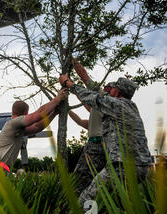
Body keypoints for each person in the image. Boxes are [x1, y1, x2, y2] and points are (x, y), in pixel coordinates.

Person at [59, 73, 152, 206]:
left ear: (117, 91)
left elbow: (91, 97)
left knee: (86, 200)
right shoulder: (132, 107)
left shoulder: (116, 104)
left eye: (113, 88)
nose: (109, 90)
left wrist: (68, 83)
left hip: (122, 167)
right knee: (117, 199)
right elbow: (91, 108)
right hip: (143, 168)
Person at [0, 88, 68, 175]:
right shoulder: (14, 122)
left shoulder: (17, 128)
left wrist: (54, 112)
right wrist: (58, 99)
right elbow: (38, 114)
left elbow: (37, 127)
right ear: (25, 112)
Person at [68, 58, 106, 194]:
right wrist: (67, 110)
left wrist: (73, 62)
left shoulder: (105, 99)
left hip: (96, 146)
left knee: (79, 180)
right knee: (97, 181)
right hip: (104, 148)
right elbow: (80, 120)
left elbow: (85, 78)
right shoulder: (98, 116)